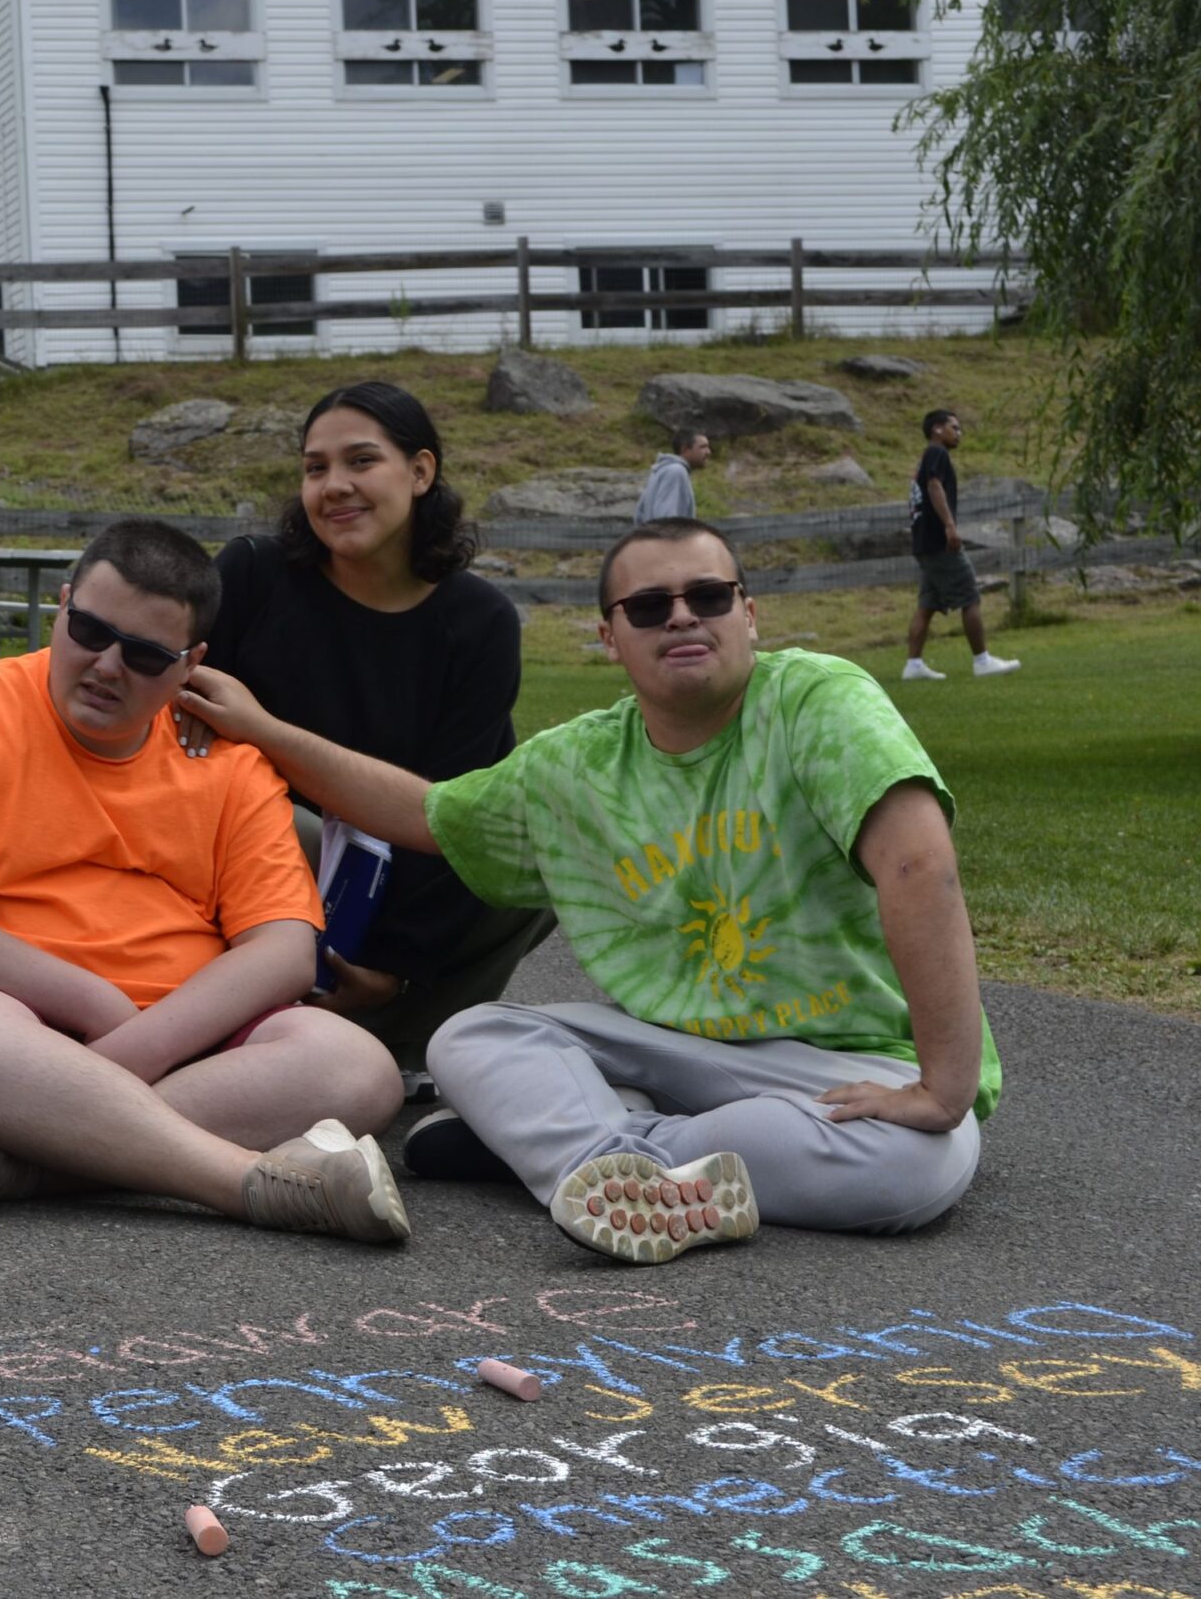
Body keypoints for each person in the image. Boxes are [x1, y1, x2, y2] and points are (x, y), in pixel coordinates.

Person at [177, 516, 997, 1265]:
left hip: (845, 1061)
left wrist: (942, 1089)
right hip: (673, 1047)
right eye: (648, 607)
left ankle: (589, 1150)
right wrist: (266, 732)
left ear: (750, 615)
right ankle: (635, 1168)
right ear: (609, 637)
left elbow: (918, 867)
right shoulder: (580, 763)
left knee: (919, 1164)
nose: (681, 616)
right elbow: (424, 813)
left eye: (708, 596)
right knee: (471, 1037)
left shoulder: (818, 700)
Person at [0, 519, 410, 1245]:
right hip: (5, 1023)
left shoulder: (228, 760)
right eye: (88, 631)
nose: (107, 665)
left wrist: (128, 1052)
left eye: (143, 655)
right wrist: (94, 1001)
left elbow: (286, 950)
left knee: (358, 1068)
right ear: (63, 605)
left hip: (187, 1034)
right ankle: (248, 1185)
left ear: (190, 663)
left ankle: (11, 1162)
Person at [197, 382, 553, 1070]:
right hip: (258, 843)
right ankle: (247, 1012)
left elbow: (458, 809)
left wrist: (391, 959)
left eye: (361, 461)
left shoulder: (479, 623)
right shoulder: (251, 575)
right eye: (315, 468)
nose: (334, 486)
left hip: (402, 860)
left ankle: (405, 1036)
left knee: (537, 844)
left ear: (421, 472)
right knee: (264, 811)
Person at [903, 409, 1021, 680]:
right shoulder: (937, 454)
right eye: (954, 428)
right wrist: (949, 525)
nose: (959, 433)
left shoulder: (925, 458)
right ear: (937, 429)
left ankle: (913, 666)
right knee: (970, 595)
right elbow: (934, 487)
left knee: (928, 604)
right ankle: (982, 661)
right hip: (938, 542)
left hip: (923, 543)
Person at [638, 430, 707, 524]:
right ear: (685, 449)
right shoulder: (676, 472)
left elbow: (639, 515)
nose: (708, 452)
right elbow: (667, 521)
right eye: (703, 447)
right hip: (666, 538)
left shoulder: (660, 471)